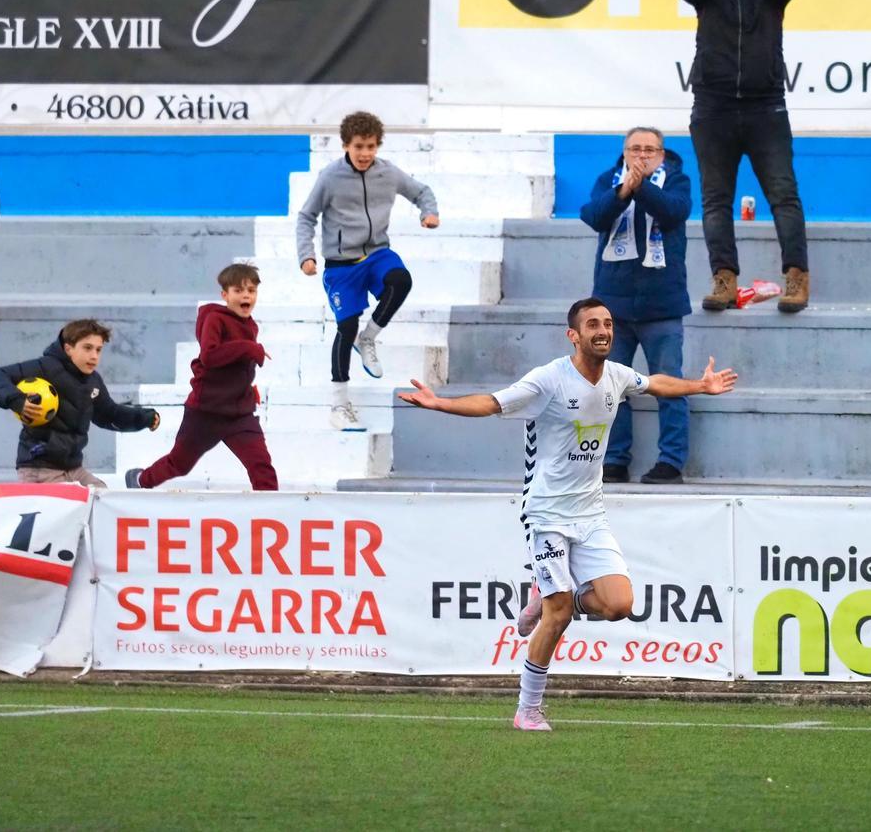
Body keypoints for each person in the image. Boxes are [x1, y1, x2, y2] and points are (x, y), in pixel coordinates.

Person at [399, 297, 738, 731]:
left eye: (608, 323)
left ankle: (546, 598)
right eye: (593, 324)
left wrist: (700, 386)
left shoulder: (617, 375)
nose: (603, 331)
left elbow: (655, 383)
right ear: (573, 335)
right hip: (546, 513)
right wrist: (440, 403)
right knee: (558, 616)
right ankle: (527, 709)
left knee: (619, 605)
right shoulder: (548, 380)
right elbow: (492, 403)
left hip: (590, 512)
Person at [668, 0, 810, 313]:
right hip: (713, 109)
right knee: (715, 201)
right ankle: (724, 279)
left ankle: (796, 278)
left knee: (783, 196)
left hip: (766, 108)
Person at [296, 111, 440, 430]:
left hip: (376, 254)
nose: (365, 153)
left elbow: (421, 192)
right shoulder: (330, 177)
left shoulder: (388, 173)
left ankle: (369, 338)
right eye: (358, 146)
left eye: (371, 146)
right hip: (341, 265)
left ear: (378, 146)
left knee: (400, 280)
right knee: (346, 327)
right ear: (346, 145)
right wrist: (306, 256)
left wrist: (428, 213)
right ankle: (339, 404)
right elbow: (306, 217)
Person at [579, 127, 693, 485]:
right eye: (635, 149)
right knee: (611, 388)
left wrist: (640, 187)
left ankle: (671, 461)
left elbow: (673, 211)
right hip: (612, 308)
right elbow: (593, 215)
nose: (642, 155)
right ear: (625, 152)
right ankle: (614, 459)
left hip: (662, 306)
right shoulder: (609, 180)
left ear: (662, 154)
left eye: (650, 150)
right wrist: (623, 190)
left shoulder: (677, 180)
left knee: (668, 385)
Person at [125, 263, 278, 491]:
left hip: (239, 414)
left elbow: (236, 367)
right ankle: (139, 480)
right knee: (179, 464)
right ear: (225, 295)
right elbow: (210, 356)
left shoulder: (250, 325)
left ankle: (272, 509)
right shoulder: (214, 319)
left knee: (261, 466)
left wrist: (246, 389)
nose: (246, 295)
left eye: (251, 290)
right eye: (238, 290)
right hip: (205, 412)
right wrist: (249, 348)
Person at [0, 319, 160, 487]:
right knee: (72, 502)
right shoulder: (46, 367)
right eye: (87, 348)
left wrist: (144, 418)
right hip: (39, 469)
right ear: (68, 348)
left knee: (103, 497)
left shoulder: (93, 381)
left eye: (98, 350)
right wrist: (17, 400)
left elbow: (109, 414)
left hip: (74, 469)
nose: (94, 356)